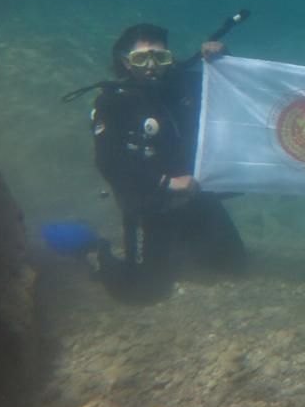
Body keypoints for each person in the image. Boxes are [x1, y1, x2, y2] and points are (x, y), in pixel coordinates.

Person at [88, 23, 246, 303]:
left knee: (234, 266)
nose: (151, 66)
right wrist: (165, 183)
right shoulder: (111, 103)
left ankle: (183, 238)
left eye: (160, 58)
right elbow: (109, 161)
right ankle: (100, 254)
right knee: (141, 294)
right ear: (126, 62)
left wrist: (224, 59)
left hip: (192, 196)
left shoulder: (181, 85)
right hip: (149, 204)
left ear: (169, 59)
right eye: (141, 59)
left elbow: (226, 88)